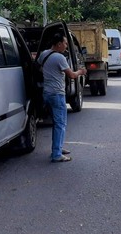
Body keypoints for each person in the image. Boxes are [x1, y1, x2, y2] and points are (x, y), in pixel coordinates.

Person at [37, 32, 86, 163]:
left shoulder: (44, 54)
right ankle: (57, 154)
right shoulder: (59, 57)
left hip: (46, 93)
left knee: (57, 123)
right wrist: (81, 72)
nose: (66, 46)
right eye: (64, 43)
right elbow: (72, 75)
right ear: (58, 44)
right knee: (60, 124)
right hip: (57, 94)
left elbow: (40, 67)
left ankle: (58, 147)